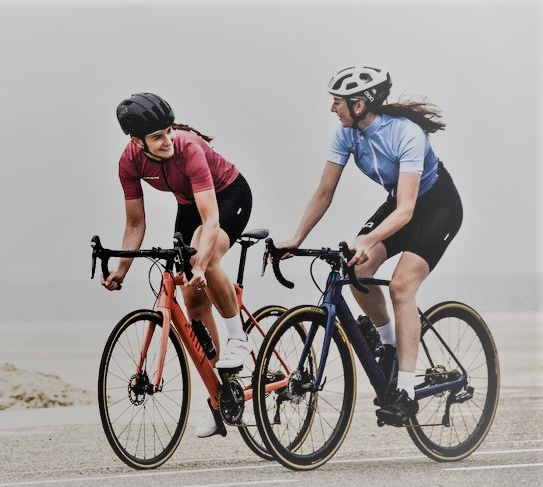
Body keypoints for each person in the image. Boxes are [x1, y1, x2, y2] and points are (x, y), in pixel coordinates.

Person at [275, 65, 463, 425]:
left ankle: (405, 392)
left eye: (338, 102)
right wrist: (297, 239)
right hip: (400, 205)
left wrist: (370, 238)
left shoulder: (407, 133)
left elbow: (407, 210)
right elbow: (325, 192)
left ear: (359, 104)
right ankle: (389, 343)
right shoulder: (346, 134)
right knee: (356, 267)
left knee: (401, 286)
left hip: (437, 207)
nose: (333, 109)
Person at [102, 92, 253, 438]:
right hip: (189, 204)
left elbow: (211, 220)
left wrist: (201, 262)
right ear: (137, 142)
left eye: (168, 131)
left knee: (206, 254)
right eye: (157, 137)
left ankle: (237, 337)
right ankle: (219, 395)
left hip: (228, 196)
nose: (167, 140)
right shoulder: (129, 162)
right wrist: (121, 270)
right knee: (192, 297)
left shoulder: (188, 148)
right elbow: (135, 224)